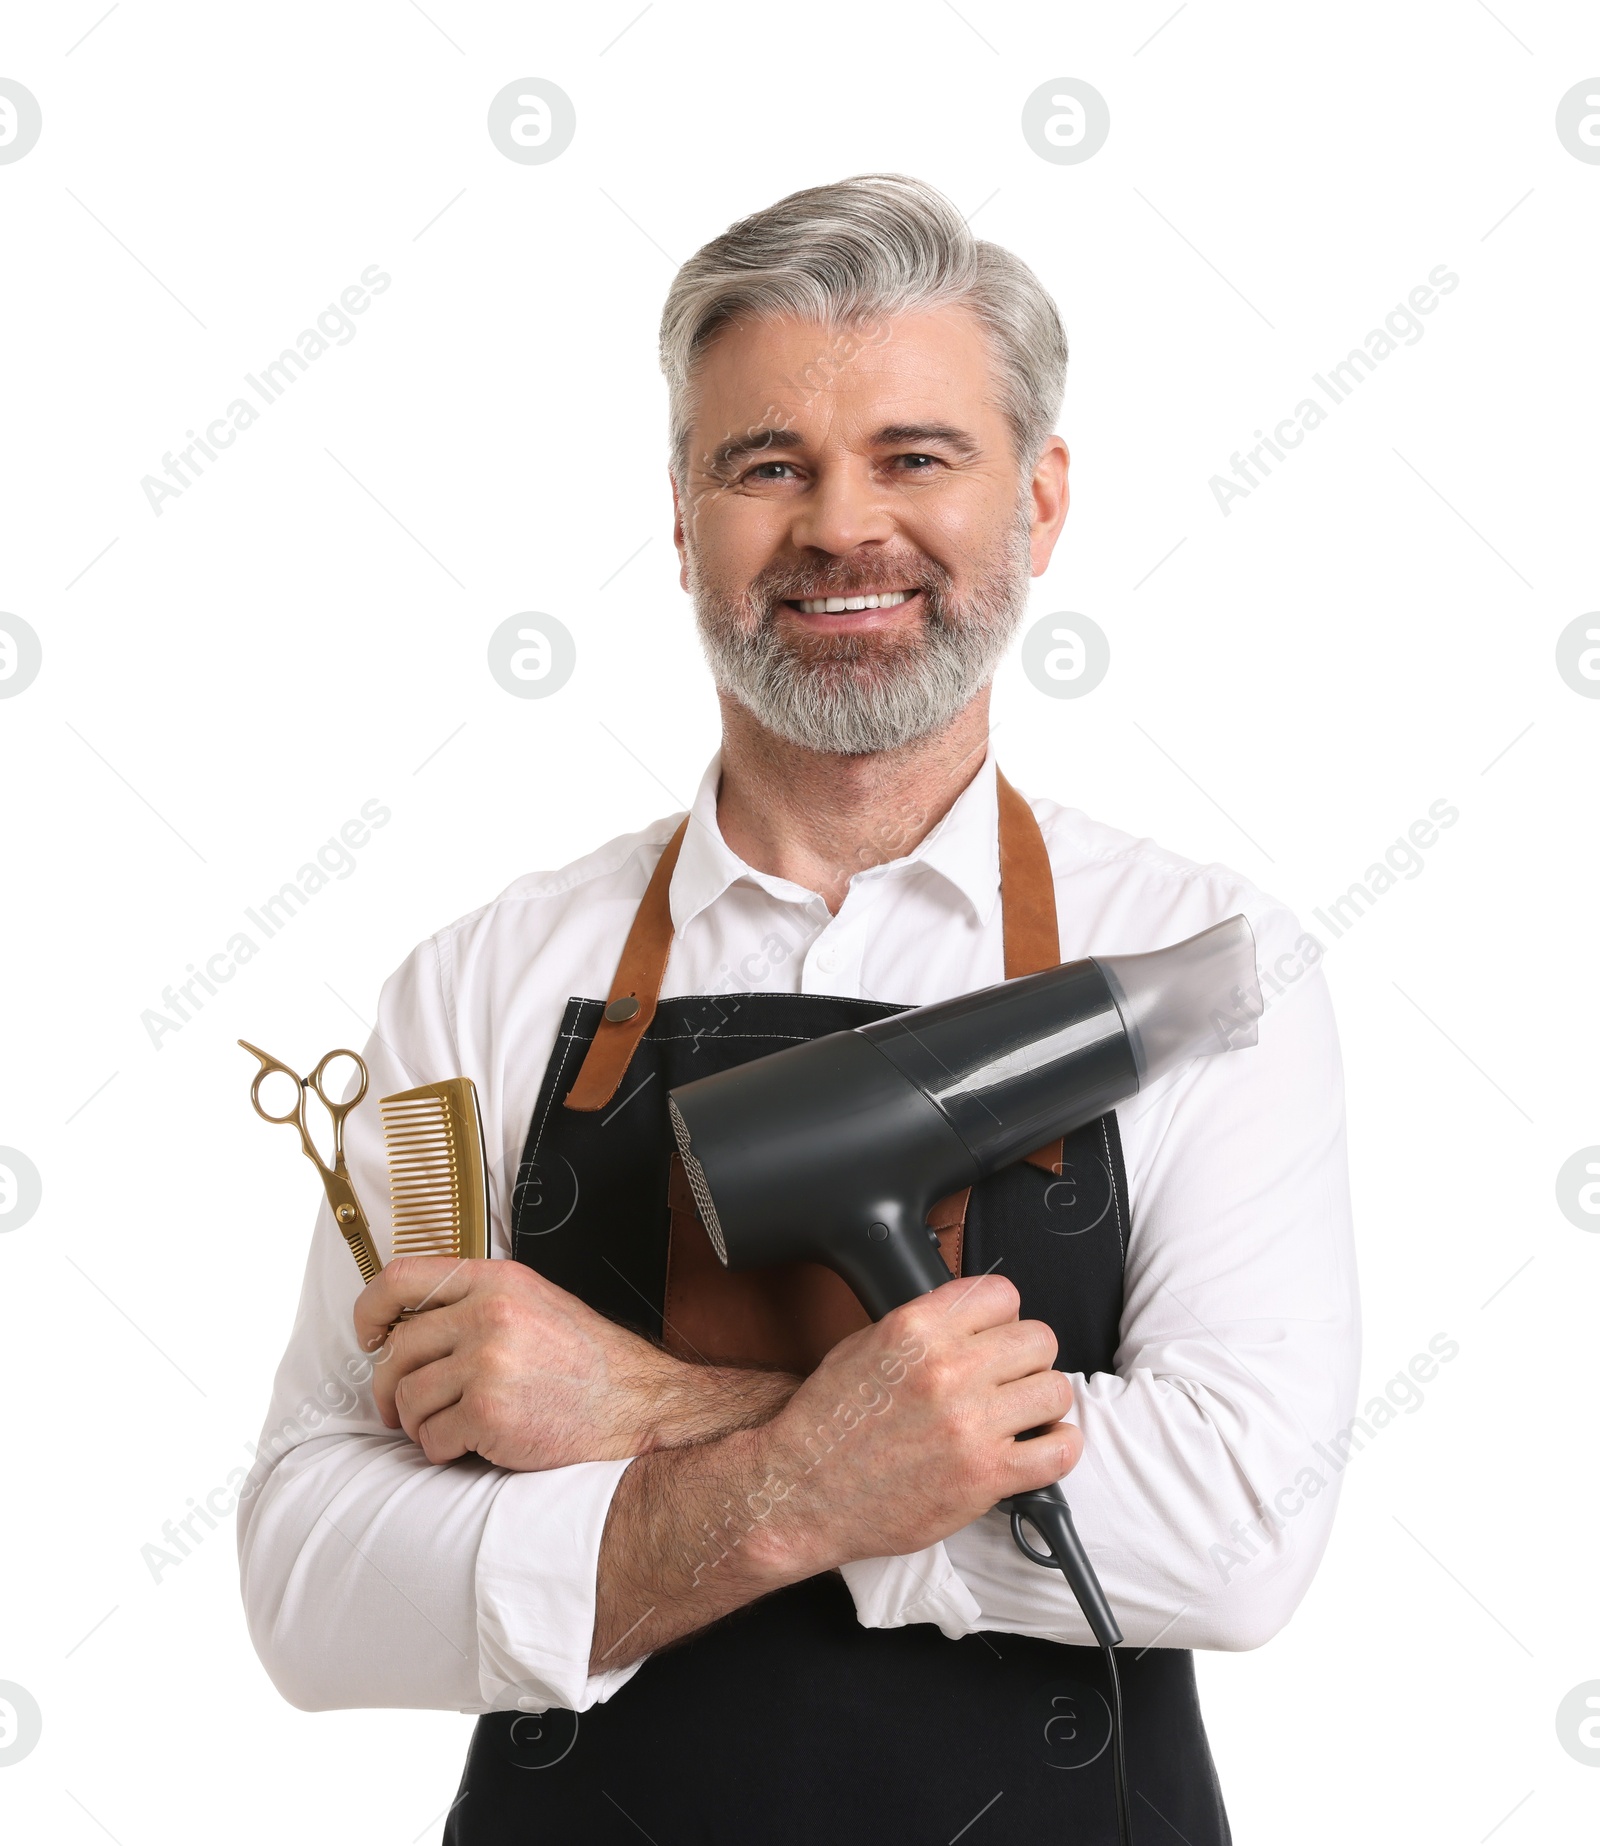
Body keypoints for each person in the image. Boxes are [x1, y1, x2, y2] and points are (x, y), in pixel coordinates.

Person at [238, 172, 1359, 1845]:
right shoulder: (483, 980)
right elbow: (314, 1575)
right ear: (682, 523)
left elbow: (1236, 1530)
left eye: (917, 457)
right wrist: (829, 1474)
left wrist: (644, 1409)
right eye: (768, 464)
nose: (843, 527)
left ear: (1040, 504)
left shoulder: (1200, 960)